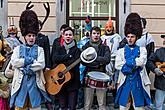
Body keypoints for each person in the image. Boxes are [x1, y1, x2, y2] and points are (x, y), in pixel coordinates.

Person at [9, 9, 51, 110]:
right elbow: (14, 62)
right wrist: (28, 61)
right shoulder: (18, 49)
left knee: (35, 107)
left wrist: (25, 67)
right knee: (20, 107)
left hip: (35, 85)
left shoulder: (40, 49)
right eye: (29, 36)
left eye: (33, 35)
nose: (31, 38)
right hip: (20, 85)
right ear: (24, 36)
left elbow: (41, 64)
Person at [115, 13, 151, 110]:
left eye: (132, 37)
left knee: (139, 107)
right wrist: (134, 64)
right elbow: (117, 65)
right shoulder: (120, 51)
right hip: (124, 83)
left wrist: (127, 62)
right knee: (123, 107)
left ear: (136, 37)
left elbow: (141, 62)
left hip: (138, 83)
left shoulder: (143, 49)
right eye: (128, 36)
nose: (130, 39)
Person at [51, 27, 81, 110]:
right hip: (61, 83)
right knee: (62, 106)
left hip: (73, 82)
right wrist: (68, 56)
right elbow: (54, 59)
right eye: (66, 35)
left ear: (73, 36)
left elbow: (75, 64)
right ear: (63, 36)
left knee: (72, 107)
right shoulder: (59, 48)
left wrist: (62, 62)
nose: (68, 36)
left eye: (70, 35)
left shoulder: (77, 50)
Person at [82, 26, 110, 110]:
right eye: (94, 33)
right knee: (87, 103)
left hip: (101, 75)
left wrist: (93, 58)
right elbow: (83, 61)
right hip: (88, 74)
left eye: (98, 33)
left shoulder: (105, 47)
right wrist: (99, 61)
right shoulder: (85, 47)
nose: (96, 35)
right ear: (90, 35)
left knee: (102, 103)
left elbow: (107, 60)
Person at [101, 17, 122, 108]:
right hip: (105, 62)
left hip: (115, 61)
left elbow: (120, 48)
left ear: (113, 28)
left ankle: (116, 101)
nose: (109, 29)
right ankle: (103, 102)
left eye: (110, 27)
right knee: (105, 82)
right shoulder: (102, 38)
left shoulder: (117, 37)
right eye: (107, 27)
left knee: (116, 82)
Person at [76, 15, 91, 109]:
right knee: (81, 85)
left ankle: (89, 103)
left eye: (89, 31)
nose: (87, 33)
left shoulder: (95, 41)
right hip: (82, 65)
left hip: (91, 66)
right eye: (86, 31)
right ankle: (80, 102)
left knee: (90, 85)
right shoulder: (81, 41)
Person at [146, 35, 165, 110]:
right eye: (164, 38)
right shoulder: (159, 51)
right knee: (158, 105)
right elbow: (149, 61)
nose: (164, 39)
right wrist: (155, 69)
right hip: (161, 82)